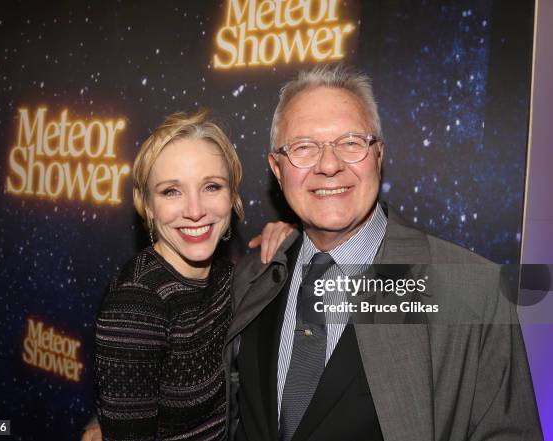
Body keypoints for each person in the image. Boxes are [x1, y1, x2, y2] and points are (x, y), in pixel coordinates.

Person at [225, 65, 543, 441]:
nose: (329, 165)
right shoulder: (252, 280)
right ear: (278, 169)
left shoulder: (472, 292)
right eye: (304, 147)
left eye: (351, 142)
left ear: (378, 156)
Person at [92, 109, 293, 441]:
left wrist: (295, 238)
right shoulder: (136, 303)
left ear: (233, 196)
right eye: (171, 191)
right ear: (147, 205)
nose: (196, 210)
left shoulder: (229, 276)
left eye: (211, 186)